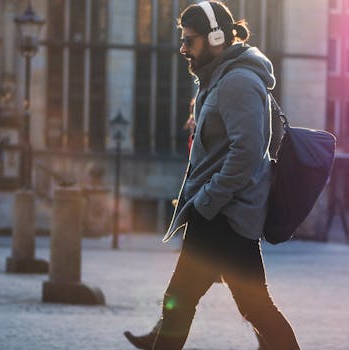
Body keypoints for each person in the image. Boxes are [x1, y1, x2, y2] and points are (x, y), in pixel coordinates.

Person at [124, 1, 300, 349]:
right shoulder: (222, 78)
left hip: (225, 214)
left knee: (185, 300)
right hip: (225, 212)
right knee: (249, 305)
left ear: (216, 38)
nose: (183, 48)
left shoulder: (237, 81)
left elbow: (247, 153)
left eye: (190, 40)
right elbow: (232, 138)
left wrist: (207, 200)